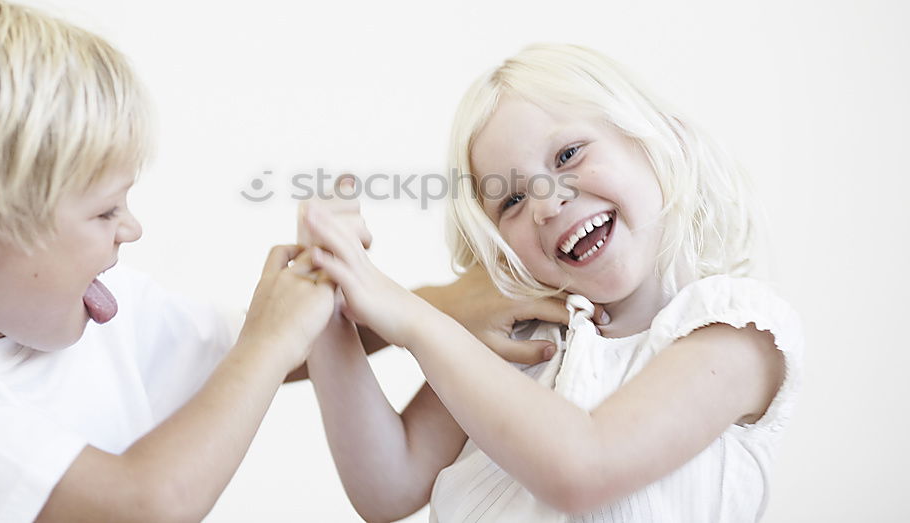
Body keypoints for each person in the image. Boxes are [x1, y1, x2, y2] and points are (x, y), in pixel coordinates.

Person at [302, 44, 803, 522]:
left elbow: (585, 469)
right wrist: (326, 298)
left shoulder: (736, 330)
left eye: (567, 156)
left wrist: (418, 320)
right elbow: (386, 488)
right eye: (511, 202)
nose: (546, 203)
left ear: (656, 142)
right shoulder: (522, 339)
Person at [0, 0, 343, 522]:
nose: (132, 229)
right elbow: (142, 506)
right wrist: (270, 341)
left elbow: (249, 355)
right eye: (105, 211)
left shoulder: (87, 310)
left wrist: (443, 306)